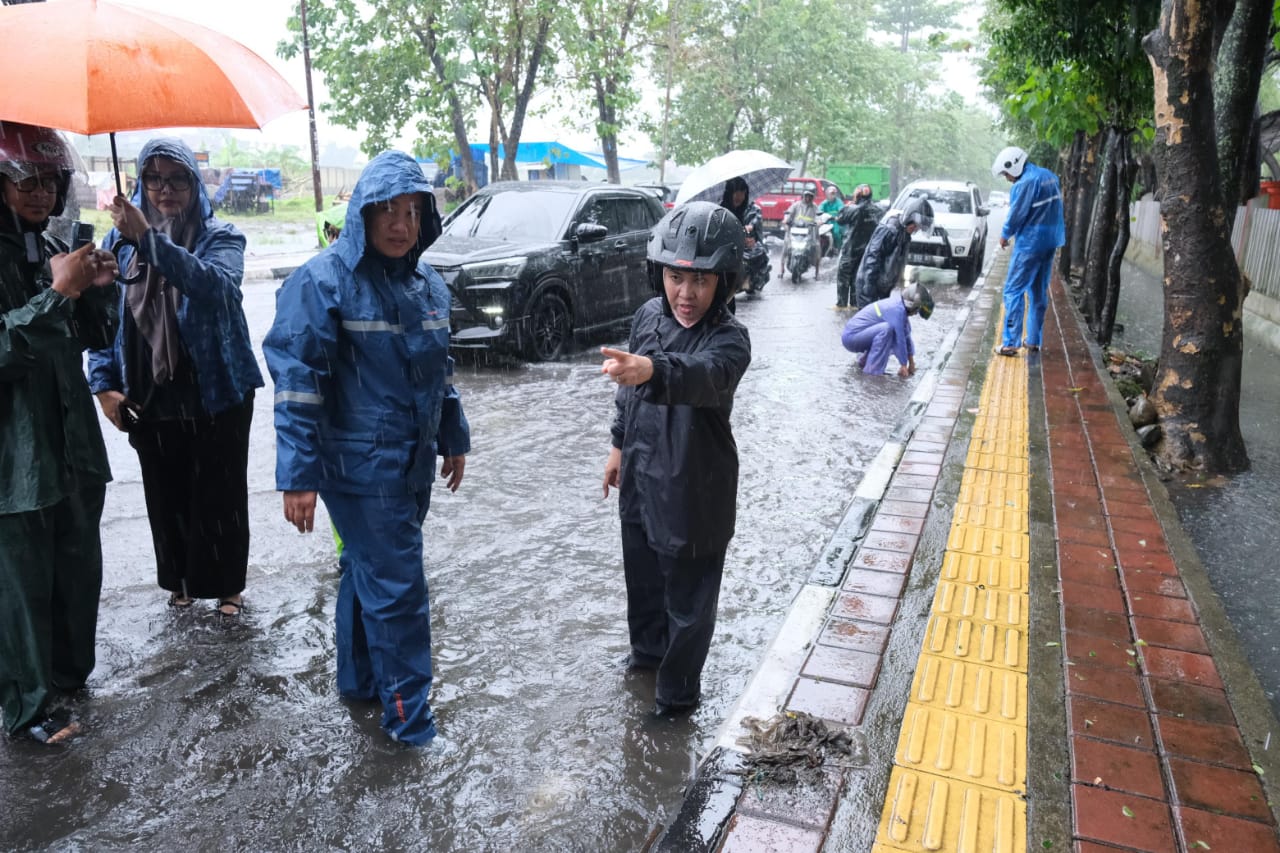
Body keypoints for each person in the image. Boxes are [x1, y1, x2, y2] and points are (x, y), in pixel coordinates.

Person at [262, 151, 469, 747]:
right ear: (363, 214)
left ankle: (360, 685)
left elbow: (440, 370)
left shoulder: (427, 281)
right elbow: (297, 381)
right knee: (400, 590)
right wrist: (297, 475)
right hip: (358, 466)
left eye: (412, 211)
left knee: (366, 572)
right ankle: (411, 726)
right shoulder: (323, 280)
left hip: (411, 460)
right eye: (388, 211)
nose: (401, 224)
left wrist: (452, 435)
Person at [88, 138, 262, 617]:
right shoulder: (117, 243)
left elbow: (217, 287)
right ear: (140, 183)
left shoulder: (219, 236)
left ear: (194, 183)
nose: (165, 189)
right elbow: (102, 320)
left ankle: (227, 587)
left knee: (220, 492)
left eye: (177, 178)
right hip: (148, 388)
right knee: (165, 493)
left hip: (214, 386)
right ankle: (180, 582)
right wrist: (103, 385)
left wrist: (149, 239)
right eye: (153, 178)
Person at [601, 201, 751, 717]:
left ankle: (676, 701)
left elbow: (703, 374)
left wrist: (652, 370)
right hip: (642, 476)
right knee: (642, 583)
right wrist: (618, 446)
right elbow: (627, 391)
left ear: (724, 283)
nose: (686, 294)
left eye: (702, 281)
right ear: (658, 272)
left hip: (695, 489)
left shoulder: (730, 340)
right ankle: (645, 661)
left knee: (688, 608)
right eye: (675, 277)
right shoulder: (647, 316)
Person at [0, 120, 120, 744]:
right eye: (25, 180)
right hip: (15, 458)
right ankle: (28, 707)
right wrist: (55, 294)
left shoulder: (53, 244)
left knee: (77, 570)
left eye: (51, 180)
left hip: (73, 449)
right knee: (20, 586)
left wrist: (96, 292)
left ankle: (68, 679)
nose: (40, 193)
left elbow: (95, 340)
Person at [991, 145, 1065, 355]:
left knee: (1013, 291)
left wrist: (1005, 235)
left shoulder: (1024, 184)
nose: (1007, 178)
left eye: (1006, 173)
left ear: (1013, 166)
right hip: (1051, 241)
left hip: (1030, 244)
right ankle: (1033, 340)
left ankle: (1011, 343)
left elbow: (1016, 215)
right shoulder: (1049, 176)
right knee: (1038, 292)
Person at [853, 195, 933, 309]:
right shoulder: (889, 230)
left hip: (882, 287)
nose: (916, 230)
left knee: (881, 322)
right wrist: (868, 288)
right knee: (869, 322)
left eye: (918, 227)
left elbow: (894, 264)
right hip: (870, 286)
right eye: (915, 226)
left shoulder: (904, 234)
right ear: (909, 219)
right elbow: (872, 258)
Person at [841, 282, 934, 377]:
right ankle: (872, 371)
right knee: (887, 330)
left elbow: (907, 337)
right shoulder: (897, 311)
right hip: (852, 337)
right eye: (917, 310)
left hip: (858, 335)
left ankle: (865, 361)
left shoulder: (900, 307)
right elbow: (900, 339)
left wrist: (911, 362)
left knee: (889, 331)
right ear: (911, 306)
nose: (915, 314)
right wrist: (903, 365)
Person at [718, 176, 768, 297]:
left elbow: (752, 227)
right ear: (730, 193)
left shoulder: (748, 210)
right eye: (737, 193)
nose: (740, 197)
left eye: (743, 193)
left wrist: (748, 238)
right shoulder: (720, 211)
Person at [833, 183, 879, 309]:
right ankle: (854, 303)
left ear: (858, 194)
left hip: (851, 248)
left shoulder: (854, 209)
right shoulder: (877, 210)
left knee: (844, 275)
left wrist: (847, 206)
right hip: (868, 250)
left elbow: (840, 219)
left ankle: (841, 304)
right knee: (857, 276)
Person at [781, 188, 821, 278]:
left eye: (810, 196)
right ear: (803, 196)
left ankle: (817, 272)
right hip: (795, 231)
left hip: (810, 232)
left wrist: (819, 222)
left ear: (813, 197)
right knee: (786, 245)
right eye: (806, 196)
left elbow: (819, 216)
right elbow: (788, 213)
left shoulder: (814, 207)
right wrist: (786, 220)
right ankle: (782, 269)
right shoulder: (796, 205)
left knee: (817, 247)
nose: (808, 198)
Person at [819, 185, 845, 254]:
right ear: (827, 194)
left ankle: (838, 249)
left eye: (834, 193)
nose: (832, 195)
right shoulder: (824, 203)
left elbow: (841, 210)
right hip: (826, 222)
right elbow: (819, 210)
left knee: (836, 233)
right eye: (831, 193)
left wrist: (839, 216)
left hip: (836, 222)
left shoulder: (838, 202)